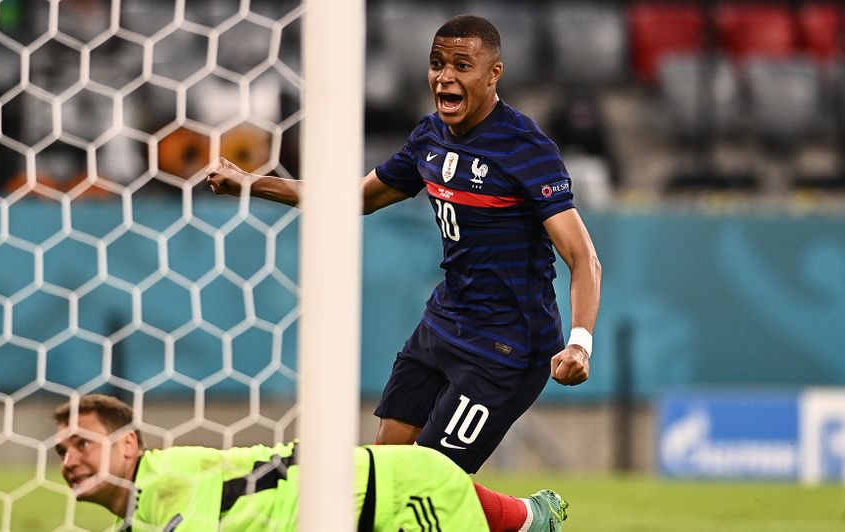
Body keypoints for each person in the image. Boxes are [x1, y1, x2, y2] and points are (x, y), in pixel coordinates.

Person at [206, 15, 602, 474]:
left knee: (425, 481)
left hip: (508, 345)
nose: (445, 76)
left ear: (494, 73)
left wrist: (580, 344)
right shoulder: (429, 137)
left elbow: (583, 258)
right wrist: (252, 184)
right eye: (437, 63)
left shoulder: (526, 149)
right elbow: (355, 198)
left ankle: (524, 519)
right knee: (383, 464)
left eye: (461, 65)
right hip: (445, 322)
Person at [54, 394, 569, 531]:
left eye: (83, 444)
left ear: (128, 445)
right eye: (61, 452)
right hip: (392, 487)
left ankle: (531, 518)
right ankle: (531, 517)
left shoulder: (171, 479)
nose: (70, 460)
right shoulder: (142, 508)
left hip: (408, 497)